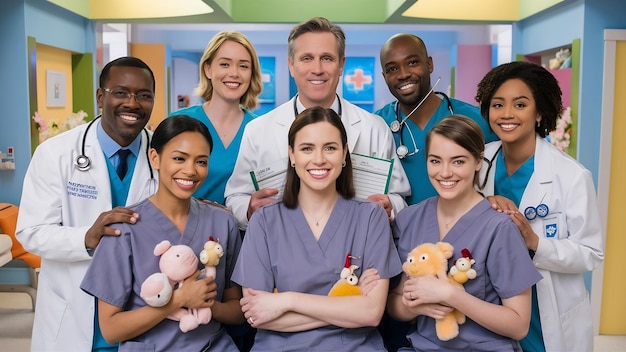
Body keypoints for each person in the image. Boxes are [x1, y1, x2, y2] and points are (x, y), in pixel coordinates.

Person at [16, 56, 158, 351]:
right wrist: (86, 237)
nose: (132, 103)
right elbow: (30, 232)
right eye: (120, 92)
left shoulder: (163, 156)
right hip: (75, 319)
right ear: (99, 96)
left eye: (143, 95)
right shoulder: (55, 154)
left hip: (142, 318)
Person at [232, 106, 402, 351]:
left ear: (344, 154)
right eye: (307, 148)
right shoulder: (264, 221)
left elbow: (372, 313)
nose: (319, 159)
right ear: (291, 155)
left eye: (330, 148)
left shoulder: (371, 217)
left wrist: (286, 300)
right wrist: (348, 305)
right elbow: (258, 314)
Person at [225, 17, 410, 230]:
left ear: (341, 65)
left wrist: (390, 206)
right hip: (283, 248)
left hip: (357, 249)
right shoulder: (258, 131)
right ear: (291, 65)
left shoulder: (374, 128)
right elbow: (235, 197)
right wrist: (248, 208)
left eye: (327, 58)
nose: (317, 69)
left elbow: (400, 197)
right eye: (306, 58)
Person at [80, 115, 243, 351]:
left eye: (201, 161)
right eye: (179, 158)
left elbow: (237, 310)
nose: (190, 171)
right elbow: (111, 330)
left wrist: (208, 304)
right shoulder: (124, 229)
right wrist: (178, 300)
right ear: (155, 158)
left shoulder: (222, 221)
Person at [475, 61, 604, 352]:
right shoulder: (478, 161)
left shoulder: (571, 176)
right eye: (498, 105)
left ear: (540, 112)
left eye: (520, 104)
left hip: (544, 305)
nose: (507, 114)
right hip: (491, 299)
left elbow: (591, 253)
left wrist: (536, 243)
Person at [388, 115, 543, 351]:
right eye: (435, 161)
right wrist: (414, 307)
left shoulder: (500, 228)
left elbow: (519, 325)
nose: (445, 172)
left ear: (478, 160)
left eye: (458, 161)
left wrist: (450, 295)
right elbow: (394, 303)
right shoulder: (410, 219)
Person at [376, 33, 498, 205]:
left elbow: (501, 175)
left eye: (412, 63)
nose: (403, 74)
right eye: (392, 69)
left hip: (464, 227)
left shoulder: (478, 120)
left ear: (429, 64)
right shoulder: (376, 125)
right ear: (384, 77)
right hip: (398, 229)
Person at [171, 30, 262, 205]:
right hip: (187, 228)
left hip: (245, 230)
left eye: (243, 66)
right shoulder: (179, 123)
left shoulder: (260, 129)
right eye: (225, 64)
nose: (234, 73)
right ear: (208, 69)